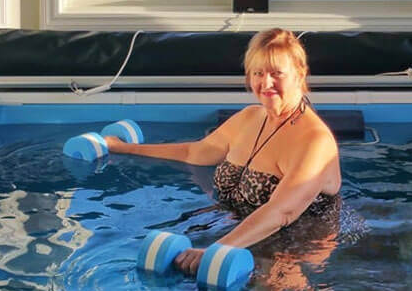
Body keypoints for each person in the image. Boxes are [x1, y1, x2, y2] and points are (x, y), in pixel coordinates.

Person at [104, 28, 342, 275]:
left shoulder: (314, 141)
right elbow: (194, 153)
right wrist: (124, 148)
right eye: (258, 73)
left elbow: (283, 211)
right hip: (238, 229)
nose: (266, 83)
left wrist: (214, 251)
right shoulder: (249, 118)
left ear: (299, 74)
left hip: (297, 245)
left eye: (276, 73)